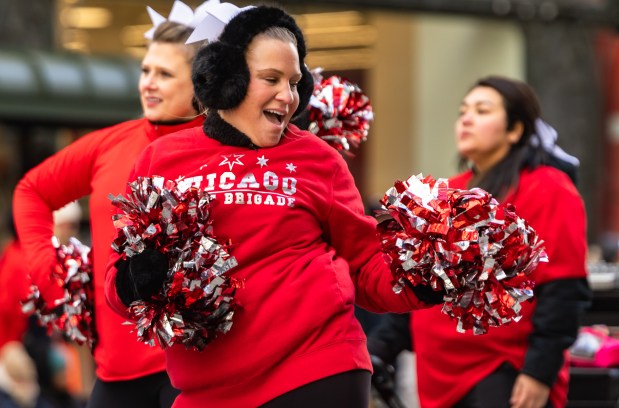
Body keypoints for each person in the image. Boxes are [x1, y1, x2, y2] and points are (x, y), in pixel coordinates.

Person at [104, 5, 443, 407]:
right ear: (227, 79)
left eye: (295, 82)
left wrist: (430, 273)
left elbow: (366, 265)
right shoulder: (161, 159)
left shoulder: (319, 159)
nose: (287, 96)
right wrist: (138, 279)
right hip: (206, 389)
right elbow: (117, 282)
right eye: (271, 79)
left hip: (317, 369)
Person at [12, 2, 208, 406]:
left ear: (202, 83)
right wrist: (49, 274)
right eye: (145, 71)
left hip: (196, 373)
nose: (148, 84)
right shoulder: (111, 143)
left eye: (165, 74)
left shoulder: (222, 152)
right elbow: (31, 191)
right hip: (116, 374)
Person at [368, 76, 592, 408]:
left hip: (504, 371)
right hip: (436, 375)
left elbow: (563, 289)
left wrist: (539, 372)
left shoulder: (549, 188)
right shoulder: (448, 193)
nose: (467, 119)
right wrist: (377, 348)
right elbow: (419, 285)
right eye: (463, 112)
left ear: (515, 130)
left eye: (482, 110)